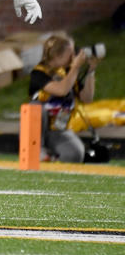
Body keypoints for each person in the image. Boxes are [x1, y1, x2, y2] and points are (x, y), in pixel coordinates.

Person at [29, 34, 96, 163]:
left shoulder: (68, 73)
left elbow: (87, 98)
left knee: (75, 154)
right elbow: (61, 90)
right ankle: (37, 149)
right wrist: (75, 67)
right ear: (57, 56)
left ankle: (53, 162)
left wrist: (91, 70)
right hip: (37, 129)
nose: (74, 56)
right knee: (35, 107)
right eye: (70, 53)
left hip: (58, 128)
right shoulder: (38, 73)